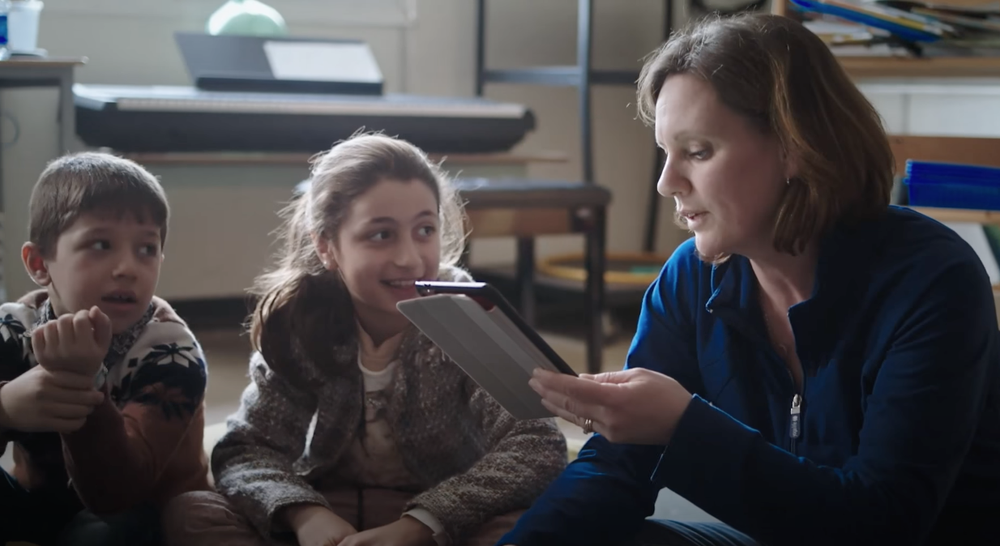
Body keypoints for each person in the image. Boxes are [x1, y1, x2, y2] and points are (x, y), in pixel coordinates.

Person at [498, 12, 1000, 546]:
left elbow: (882, 522)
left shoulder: (931, 281)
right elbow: (615, 469)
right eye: (665, 153)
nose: (669, 182)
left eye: (697, 152)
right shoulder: (690, 278)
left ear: (795, 147)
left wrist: (682, 426)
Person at [161, 133, 568, 546]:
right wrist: (305, 515)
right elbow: (244, 449)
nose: (409, 257)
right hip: (329, 511)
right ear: (326, 247)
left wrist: (422, 525)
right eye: (381, 235)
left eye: (425, 230)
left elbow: (537, 445)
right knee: (193, 514)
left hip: (445, 520)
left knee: (531, 527)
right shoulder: (300, 321)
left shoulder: (468, 316)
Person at [0, 152, 210, 546]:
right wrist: (5, 407)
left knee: (113, 532)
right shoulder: (12, 330)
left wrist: (81, 385)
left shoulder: (172, 353)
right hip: (35, 503)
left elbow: (116, 494)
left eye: (146, 249)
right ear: (39, 263)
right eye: (101, 244)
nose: (128, 268)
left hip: (141, 512)